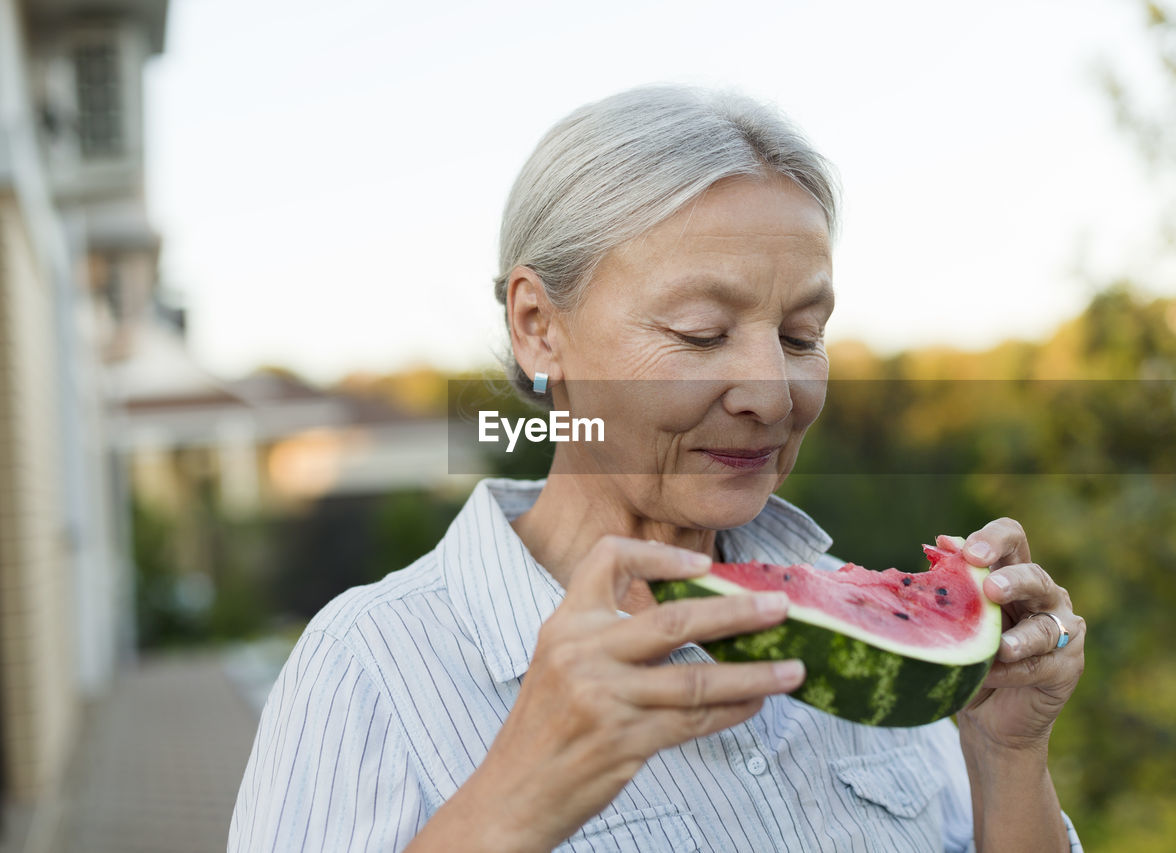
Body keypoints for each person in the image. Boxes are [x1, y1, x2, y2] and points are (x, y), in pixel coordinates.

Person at [228, 84, 1087, 852]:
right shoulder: (371, 666)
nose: (770, 391)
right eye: (700, 333)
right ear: (538, 326)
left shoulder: (870, 644)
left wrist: (1007, 756)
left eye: (800, 335)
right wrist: (514, 798)